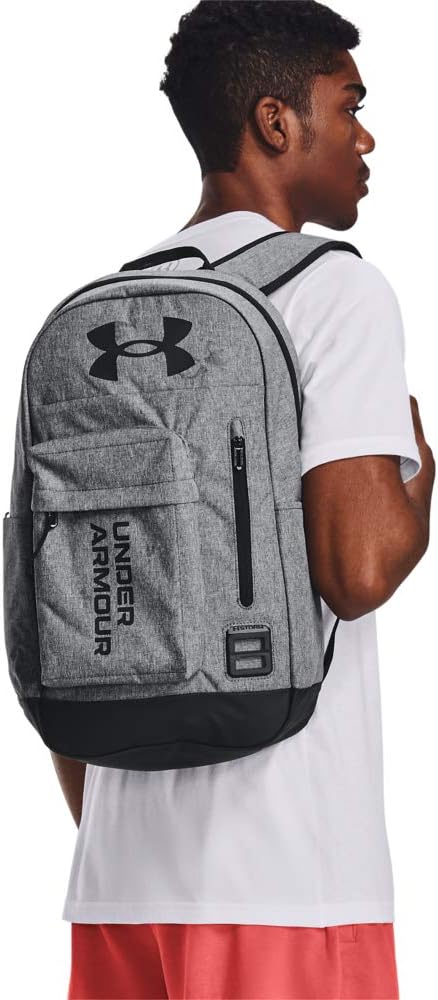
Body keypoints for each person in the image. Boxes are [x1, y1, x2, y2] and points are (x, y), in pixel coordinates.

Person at [58, 3, 435, 998]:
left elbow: (61, 605)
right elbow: (357, 571)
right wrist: (419, 485)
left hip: (118, 886)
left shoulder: (103, 312)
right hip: (288, 878)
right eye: (349, 105)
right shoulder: (335, 293)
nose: (366, 137)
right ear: (276, 121)